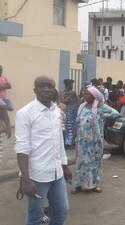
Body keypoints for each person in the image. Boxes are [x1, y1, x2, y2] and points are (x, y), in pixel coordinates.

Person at [15, 75, 72, 224]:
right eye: (42, 86)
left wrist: (65, 166)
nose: (46, 89)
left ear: (54, 90)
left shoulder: (55, 111)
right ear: (35, 89)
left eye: (50, 86)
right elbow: (22, 149)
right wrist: (26, 179)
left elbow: (59, 140)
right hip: (37, 175)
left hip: (56, 173)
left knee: (61, 210)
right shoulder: (25, 113)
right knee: (35, 216)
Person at [71, 86, 120, 194]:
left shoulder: (100, 108)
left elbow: (116, 113)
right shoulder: (82, 107)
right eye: (84, 93)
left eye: (88, 94)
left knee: (94, 163)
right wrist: (74, 137)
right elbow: (78, 122)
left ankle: (93, 184)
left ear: (94, 96)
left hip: (95, 142)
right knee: (80, 162)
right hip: (81, 141)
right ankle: (78, 185)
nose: (85, 95)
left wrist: (103, 110)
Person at [60, 79, 78, 149]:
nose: (72, 86)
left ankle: (71, 141)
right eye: (71, 84)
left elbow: (76, 100)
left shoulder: (73, 92)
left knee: (74, 127)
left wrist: (75, 95)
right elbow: (62, 101)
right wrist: (70, 96)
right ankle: (67, 143)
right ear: (67, 85)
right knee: (68, 126)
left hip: (73, 111)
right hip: (67, 111)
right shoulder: (62, 92)